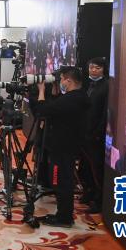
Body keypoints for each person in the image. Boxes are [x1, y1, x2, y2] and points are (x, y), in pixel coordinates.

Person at [34, 66, 88, 228]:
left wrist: (41, 90)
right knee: (64, 181)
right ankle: (63, 215)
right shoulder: (80, 97)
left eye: (62, 79)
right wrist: (54, 92)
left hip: (62, 147)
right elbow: (57, 108)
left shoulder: (71, 100)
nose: (60, 82)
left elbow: (43, 110)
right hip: (69, 146)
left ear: (69, 81)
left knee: (60, 182)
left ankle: (64, 218)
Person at [80, 57, 109, 214]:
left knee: (96, 167)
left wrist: (98, 132)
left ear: (103, 69)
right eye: (91, 67)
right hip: (85, 131)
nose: (93, 70)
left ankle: (99, 200)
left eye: (97, 68)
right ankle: (88, 192)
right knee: (85, 166)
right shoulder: (88, 84)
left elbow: (105, 113)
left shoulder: (106, 86)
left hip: (96, 134)